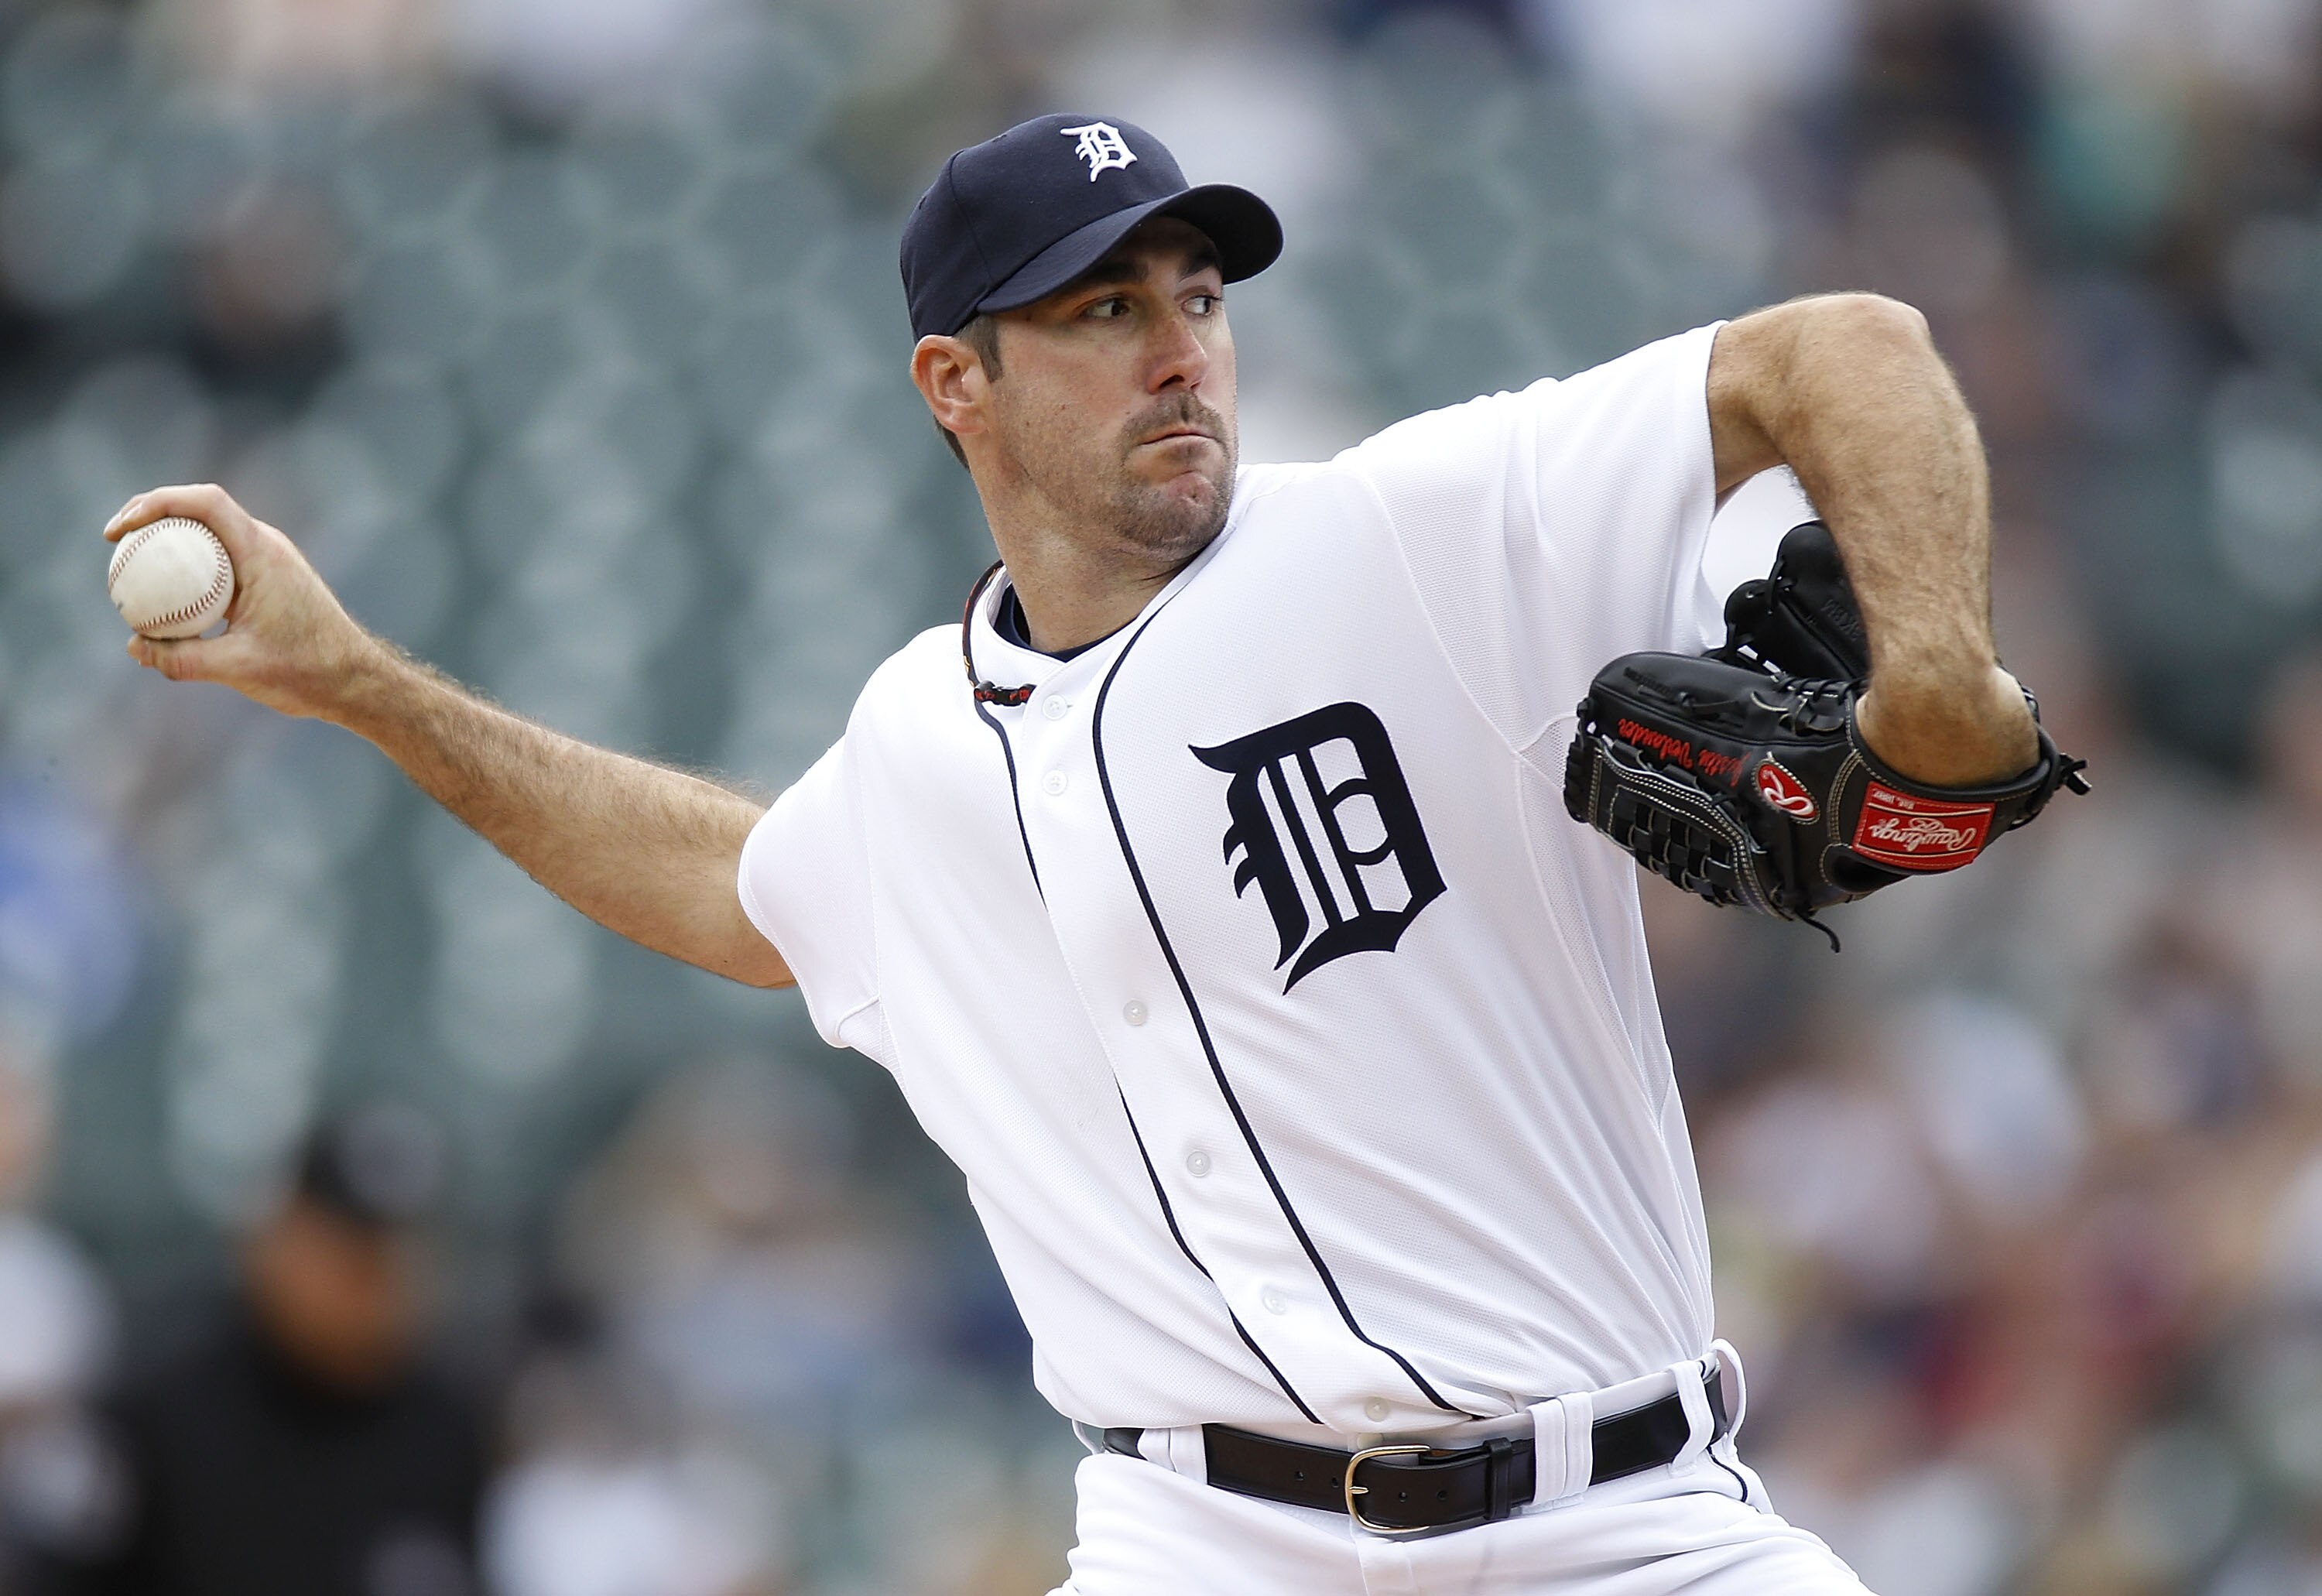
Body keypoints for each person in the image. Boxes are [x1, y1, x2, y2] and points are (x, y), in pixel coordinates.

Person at [103, 114, 2040, 1592]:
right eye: (1103, 309)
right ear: (956, 381)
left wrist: (1937, 672)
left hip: (1622, 1526)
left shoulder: (1407, 533)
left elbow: (1841, 353)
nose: (1178, 349)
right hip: (1207, 1542)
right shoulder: (915, 744)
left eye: (1196, 296)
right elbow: (736, 884)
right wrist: (358, 680)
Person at [50, 1110, 490, 1596]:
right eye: (350, 1260)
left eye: (396, 1261)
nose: (375, 1290)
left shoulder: (451, 1429)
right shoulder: (159, 1410)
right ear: (276, 1239)